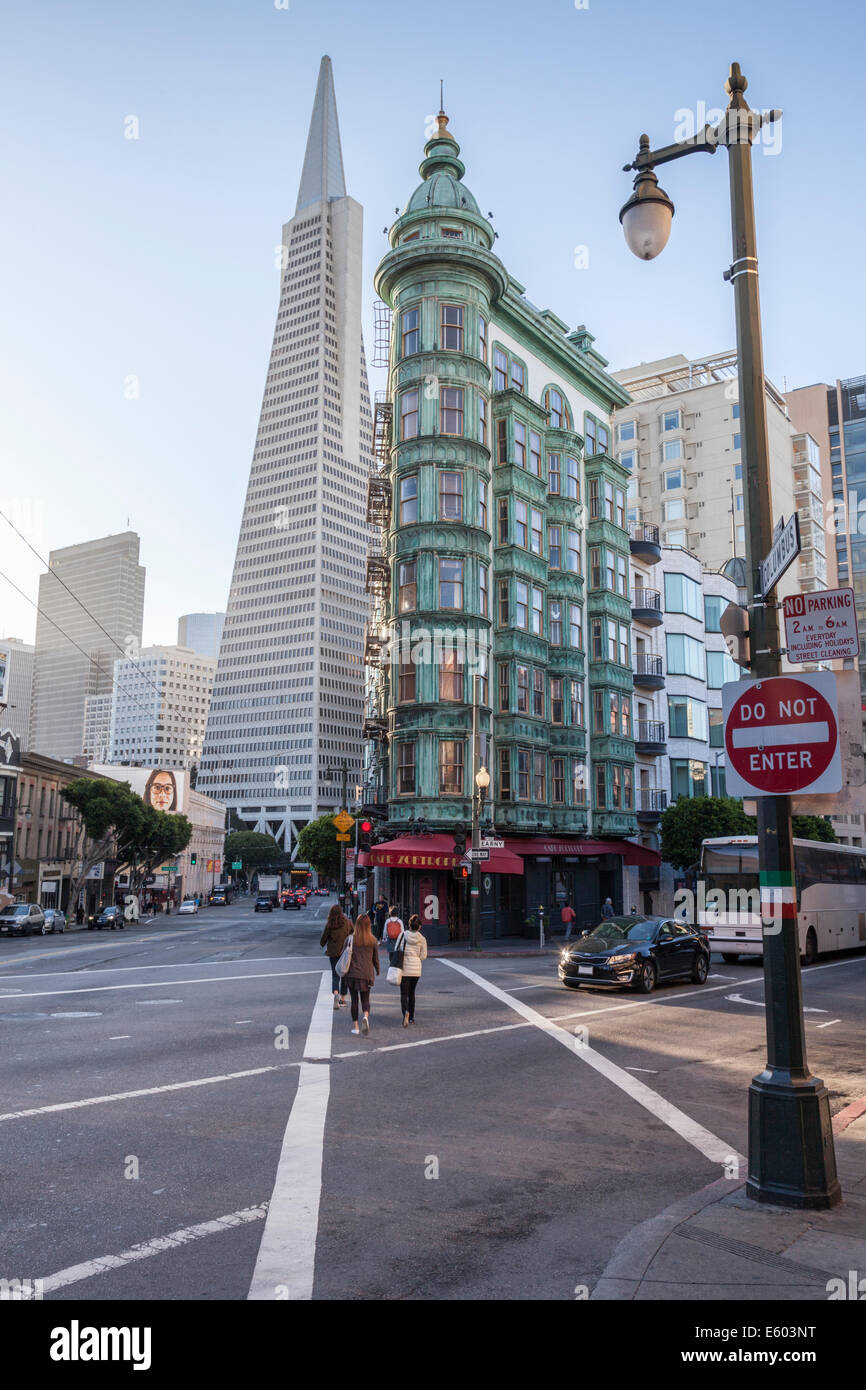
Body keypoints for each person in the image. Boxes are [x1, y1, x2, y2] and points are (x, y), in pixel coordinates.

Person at [345, 913, 379, 1036]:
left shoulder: (350, 939)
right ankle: (365, 1016)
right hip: (366, 974)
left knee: (354, 1000)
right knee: (365, 999)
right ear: (369, 925)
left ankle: (356, 1027)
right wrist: (378, 970)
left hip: (352, 974)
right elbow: (375, 959)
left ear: (357, 924)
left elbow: (344, 955)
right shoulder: (373, 940)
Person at [320, 904, 352, 1010]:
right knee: (344, 975)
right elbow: (354, 932)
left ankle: (335, 994)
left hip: (333, 953)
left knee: (335, 975)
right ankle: (343, 999)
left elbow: (322, 941)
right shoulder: (347, 922)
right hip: (345, 953)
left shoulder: (329, 925)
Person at [400, 914, 428, 1027]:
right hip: (416, 969)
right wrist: (416, 958)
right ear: (419, 927)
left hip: (405, 968)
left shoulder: (403, 935)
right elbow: (423, 956)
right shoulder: (422, 939)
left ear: (409, 925)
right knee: (412, 993)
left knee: (404, 993)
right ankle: (411, 1017)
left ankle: (405, 1013)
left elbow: (398, 949)